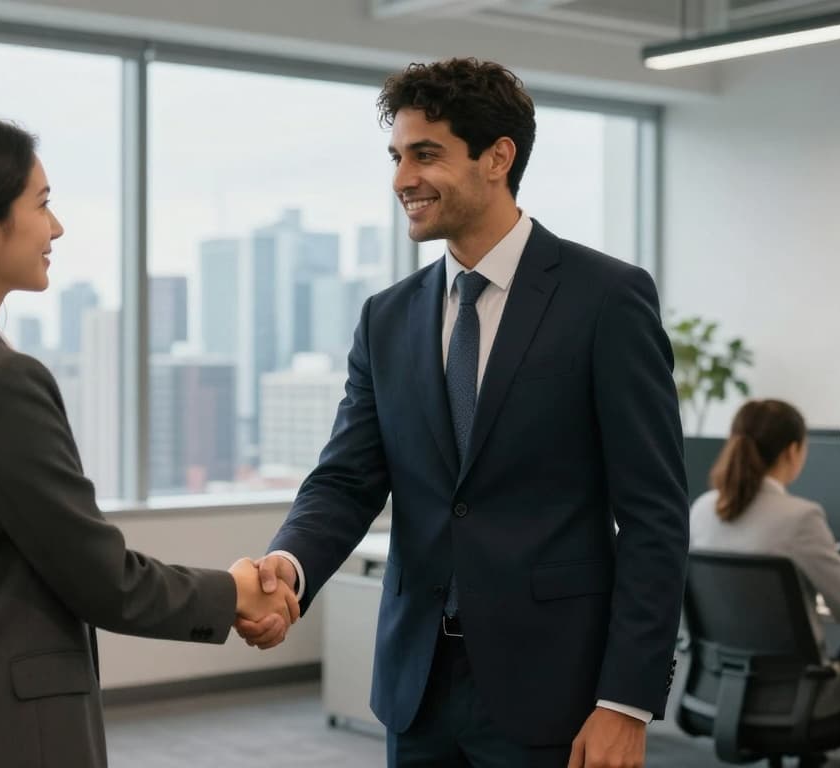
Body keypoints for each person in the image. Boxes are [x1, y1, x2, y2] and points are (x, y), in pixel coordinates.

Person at [238, 58, 689, 767]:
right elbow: (346, 480)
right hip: (417, 687)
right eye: (396, 157)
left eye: (425, 154)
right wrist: (287, 568)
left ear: (497, 158)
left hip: (555, 690)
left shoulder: (606, 300)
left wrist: (625, 701)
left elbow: (655, 515)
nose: (401, 180)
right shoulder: (386, 318)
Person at [0, 113, 296, 768]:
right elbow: (100, 578)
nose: (57, 227)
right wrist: (236, 591)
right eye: (42, 205)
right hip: (0, 739)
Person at [689, 399, 840, 766]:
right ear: (794, 450)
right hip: (795, 696)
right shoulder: (800, 517)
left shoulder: (702, 510)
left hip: (717, 688)